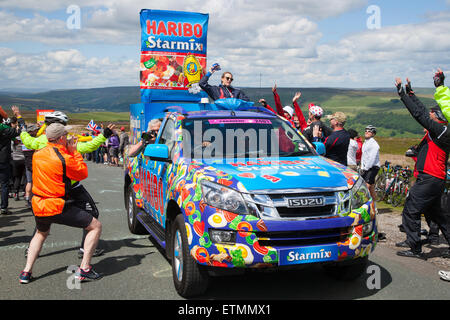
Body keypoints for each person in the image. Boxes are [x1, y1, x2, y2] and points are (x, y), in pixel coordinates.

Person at [21, 111, 114, 258]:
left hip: (47, 189)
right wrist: (104, 135)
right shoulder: (66, 141)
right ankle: (86, 248)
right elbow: (88, 147)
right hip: (70, 187)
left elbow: (27, 140)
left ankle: (31, 249)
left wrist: (23, 130)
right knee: (92, 214)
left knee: (44, 221)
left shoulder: (40, 140)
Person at [19, 123, 103, 283]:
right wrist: (75, 152)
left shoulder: (38, 153)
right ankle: (85, 268)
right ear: (62, 138)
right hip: (57, 204)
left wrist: (67, 151)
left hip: (38, 203)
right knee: (95, 226)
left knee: (40, 233)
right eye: (66, 136)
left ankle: (26, 271)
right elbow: (81, 173)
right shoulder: (64, 158)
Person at [394, 77, 450, 260]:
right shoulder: (439, 130)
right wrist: (411, 93)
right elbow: (423, 111)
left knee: (411, 209)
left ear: (439, 118)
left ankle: (415, 248)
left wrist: (402, 95)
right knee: (438, 214)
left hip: (430, 178)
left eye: (433, 113)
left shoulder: (440, 131)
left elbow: (419, 114)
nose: (430, 115)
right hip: (435, 179)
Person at [0, 106, 22, 215]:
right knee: (4, 184)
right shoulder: (5, 129)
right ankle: (3, 207)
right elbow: (20, 130)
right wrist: (18, 115)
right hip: (3, 160)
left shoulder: (4, 128)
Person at [360, 125, 380, 200]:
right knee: (371, 187)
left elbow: (372, 158)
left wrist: (366, 168)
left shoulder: (374, 144)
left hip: (373, 167)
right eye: (366, 131)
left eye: (369, 131)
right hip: (366, 167)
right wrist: (362, 167)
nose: (367, 132)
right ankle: (374, 206)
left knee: (366, 186)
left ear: (373, 134)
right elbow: (364, 156)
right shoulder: (365, 143)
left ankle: (364, 204)